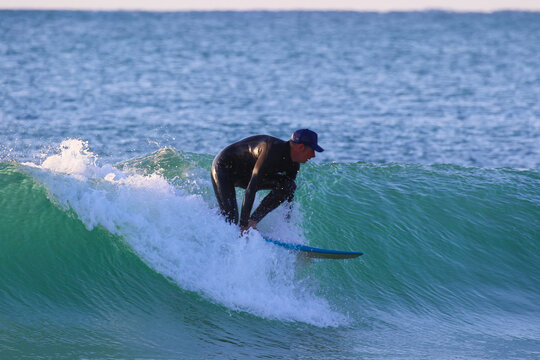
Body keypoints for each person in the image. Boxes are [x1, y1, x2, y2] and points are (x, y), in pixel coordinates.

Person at [211, 129, 324, 234]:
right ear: (300, 147)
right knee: (231, 220)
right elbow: (251, 189)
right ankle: (218, 218)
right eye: (312, 150)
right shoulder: (271, 151)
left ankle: (252, 222)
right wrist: (243, 225)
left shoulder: (294, 165)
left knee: (288, 185)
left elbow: (288, 194)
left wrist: (287, 225)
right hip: (224, 168)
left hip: (245, 174)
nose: (313, 155)